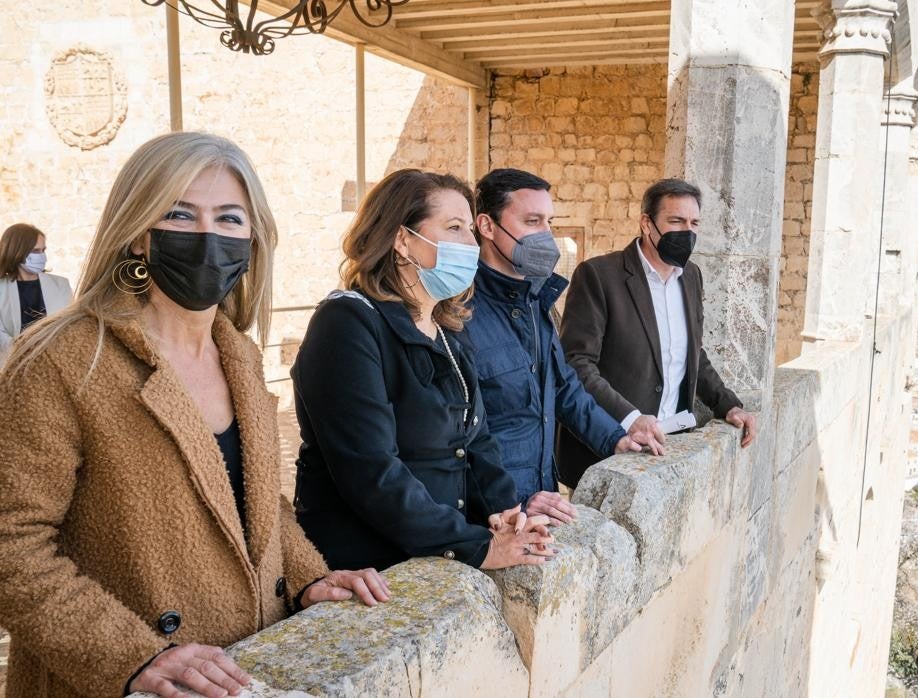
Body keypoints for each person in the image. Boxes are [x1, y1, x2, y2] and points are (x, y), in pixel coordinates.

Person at [0, 132, 388, 698]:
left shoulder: (240, 355)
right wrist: (132, 657)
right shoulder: (63, 359)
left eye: (230, 219)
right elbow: (12, 543)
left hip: (246, 665)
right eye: (180, 214)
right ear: (136, 235)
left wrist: (309, 579)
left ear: (254, 239)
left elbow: (254, 503)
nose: (209, 237)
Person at [291, 169, 554, 573]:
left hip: (436, 555)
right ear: (402, 240)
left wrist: (506, 512)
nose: (471, 242)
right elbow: (371, 470)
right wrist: (477, 547)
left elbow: (477, 439)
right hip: (371, 568)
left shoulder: (447, 326)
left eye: (470, 228)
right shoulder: (347, 323)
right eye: (454, 228)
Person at [458, 168, 658, 521]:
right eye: (532, 221)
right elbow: (461, 436)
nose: (546, 235)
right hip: (494, 517)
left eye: (549, 222)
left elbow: (564, 388)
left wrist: (615, 437)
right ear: (487, 226)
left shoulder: (536, 301)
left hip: (543, 499)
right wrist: (511, 503)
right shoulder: (459, 314)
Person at [557, 178, 761, 488]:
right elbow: (577, 363)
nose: (686, 232)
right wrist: (630, 418)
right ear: (646, 223)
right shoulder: (599, 275)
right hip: (611, 446)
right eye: (676, 221)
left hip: (672, 442)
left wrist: (729, 405)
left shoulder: (691, 277)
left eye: (693, 223)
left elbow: (694, 354)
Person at [0, 222, 73, 363]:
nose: (42, 257)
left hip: (56, 362)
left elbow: (70, 325)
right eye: (35, 251)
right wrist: (23, 351)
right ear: (17, 251)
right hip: (13, 364)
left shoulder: (61, 285)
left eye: (43, 250)